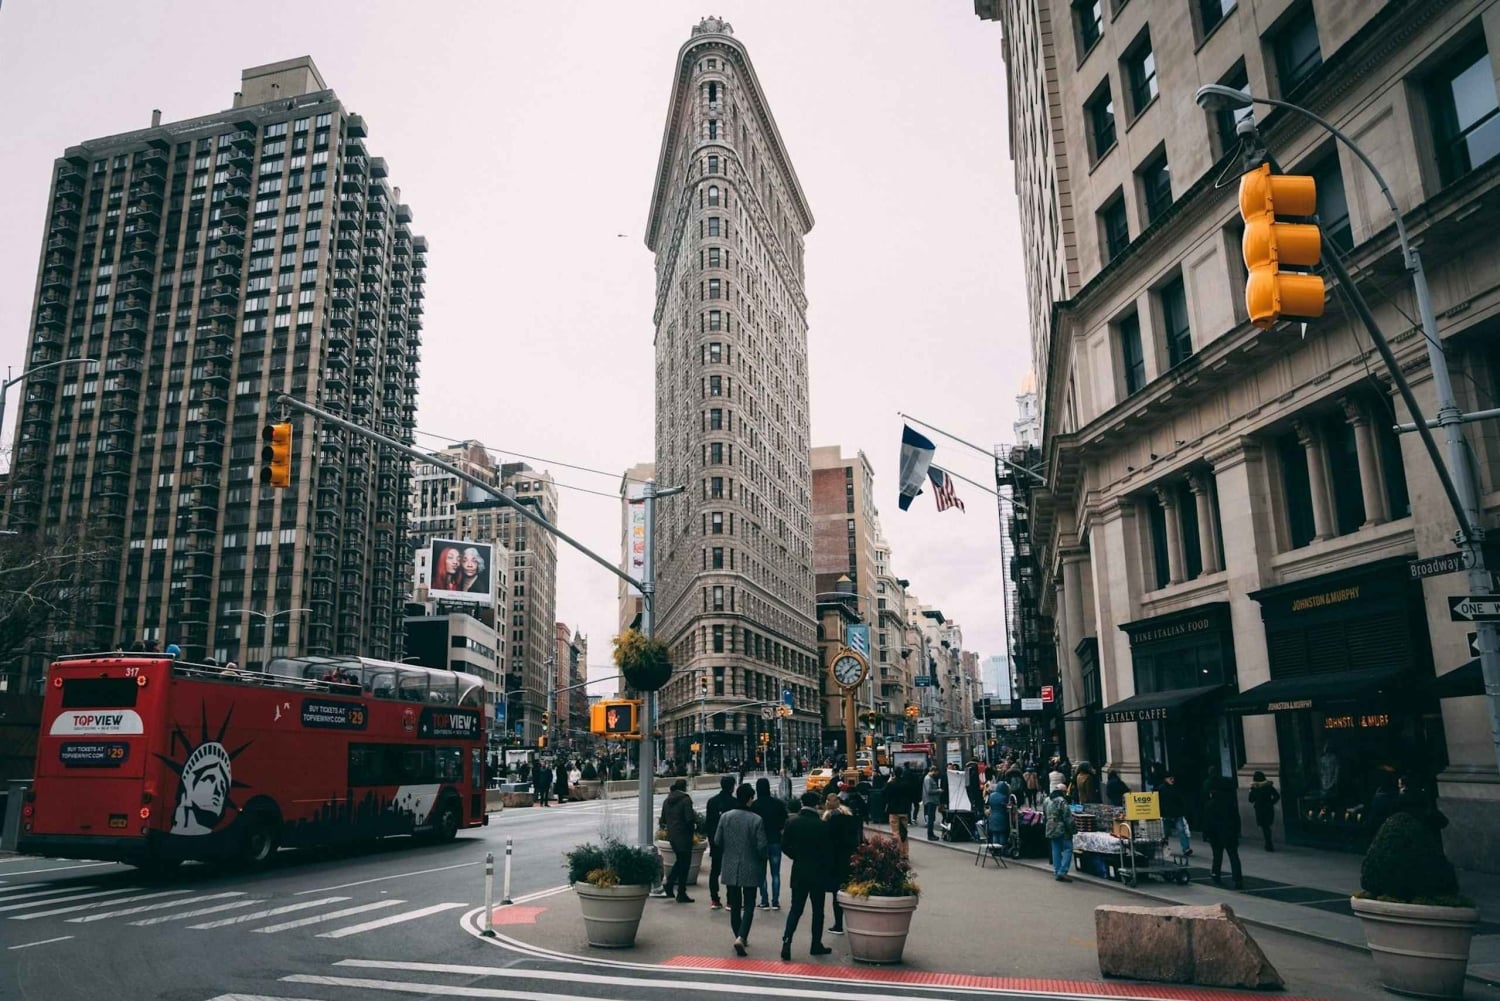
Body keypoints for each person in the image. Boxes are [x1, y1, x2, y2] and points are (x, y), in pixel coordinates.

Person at [714, 783, 767, 956]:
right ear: (750, 799)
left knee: (735, 904)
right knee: (750, 903)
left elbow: (717, 840)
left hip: (730, 865)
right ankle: (742, 936)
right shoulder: (756, 820)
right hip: (750, 865)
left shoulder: (726, 817)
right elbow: (761, 847)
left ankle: (738, 934)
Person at [780, 790, 834, 961]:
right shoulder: (823, 826)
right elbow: (827, 852)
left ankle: (787, 941)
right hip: (817, 872)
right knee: (818, 911)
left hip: (799, 870)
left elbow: (784, 846)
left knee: (796, 908)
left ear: (802, 803)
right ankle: (815, 944)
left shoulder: (792, 823)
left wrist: (796, 856)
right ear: (816, 804)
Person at [822, 791, 861, 935]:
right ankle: (855, 922)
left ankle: (838, 925)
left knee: (836, 894)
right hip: (850, 858)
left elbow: (826, 841)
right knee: (851, 891)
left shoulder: (829, 819)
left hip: (835, 861)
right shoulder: (850, 817)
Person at [657, 778, 696, 903]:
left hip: (672, 836)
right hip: (684, 836)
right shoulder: (685, 800)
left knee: (680, 861)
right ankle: (680, 891)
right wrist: (694, 829)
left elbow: (662, 820)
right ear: (684, 787)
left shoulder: (667, 800)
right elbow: (689, 819)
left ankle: (671, 885)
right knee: (684, 864)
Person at [752, 776, 789, 911]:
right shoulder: (777, 804)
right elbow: (784, 821)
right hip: (775, 840)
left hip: (761, 842)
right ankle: (775, 901)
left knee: (761, 873)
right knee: (775, 873)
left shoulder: (755, 805)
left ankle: (764, 900)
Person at [1203, 774, 1243, 889]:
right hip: (1229, 833)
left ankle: (1216, 874)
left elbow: (1207, 822)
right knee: (1234, 856)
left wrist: (1206, 834)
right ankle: (1237, 878)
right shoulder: (1230, 803)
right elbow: (1236, 818)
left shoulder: (1210, 804)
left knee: (1217, 855)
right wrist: (1237, 831)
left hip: (1216, 834)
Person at [704, 775, 738, 911]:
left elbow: (708, 823)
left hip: (716, 841)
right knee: (730, 871)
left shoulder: (712, 802)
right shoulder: (735, 803)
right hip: (730, 842)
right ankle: (730, 901)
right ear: (732, 786)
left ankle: (714, 899)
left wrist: (711, 840)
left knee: (715, 871)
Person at [1042, 783, 1075, 881]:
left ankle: (1057, 871)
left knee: (1055, 849)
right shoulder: (1061, 801)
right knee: (1068, 848)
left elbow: (1044, 814)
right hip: (1061, 828)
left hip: (1050, 827)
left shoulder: (1047, 800)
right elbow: (1067, 816)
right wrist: (1072, 829)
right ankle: (1063, 871)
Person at [884, 765, 916, 857]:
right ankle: (905, 853)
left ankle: (898, 852)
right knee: (904, 832)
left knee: (896, 832)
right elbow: (911, 795)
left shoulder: (891, 784)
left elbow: (884, 793)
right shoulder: (906, 784)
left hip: (893, 811)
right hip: (904, 810)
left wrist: (888, 782)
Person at [1248, 771, 1281, 851]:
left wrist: (1250, 791)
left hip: (1260, 809)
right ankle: (1268, 843)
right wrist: (1271, 803)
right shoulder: (1269, 786)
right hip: (1268, 808)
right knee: (1267, 826)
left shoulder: (1255, 788)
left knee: (1264, 826)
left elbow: (1251, 800)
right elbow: (1277, 796)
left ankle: (1268, 843)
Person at [921, 766, 942, 841]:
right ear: (933, 771)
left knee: (932, 818)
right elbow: (929, 790)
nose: (937, 774)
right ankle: (930, 834)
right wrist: (938, 790)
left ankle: (931, 833)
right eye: (936, 772)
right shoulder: (928, 779)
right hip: (930, 801)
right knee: (931, 818)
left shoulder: (929, 778)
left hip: (932, 801)